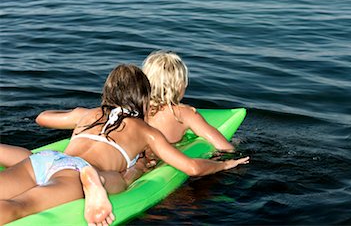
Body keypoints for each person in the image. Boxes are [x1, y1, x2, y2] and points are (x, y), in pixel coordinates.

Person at [0, 64, 249, 225]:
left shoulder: (89, 113)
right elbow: (192, 168)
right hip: (76, 173)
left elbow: (42, 118)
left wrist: (77, 113)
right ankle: (97, 181)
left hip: (45, 160)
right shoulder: (145, 131)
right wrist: (225, 164)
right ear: (143, 97)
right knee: (19, 207)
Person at [1, 50, 238, 188]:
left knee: (35, 163)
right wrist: (227, 160)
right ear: (181, 86)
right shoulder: (183, 114)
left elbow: (42, 119)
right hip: (133, 167)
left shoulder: (102, 114)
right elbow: (223, 146)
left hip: (58, 159)